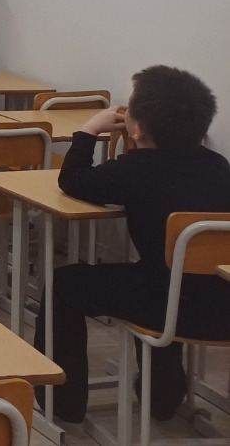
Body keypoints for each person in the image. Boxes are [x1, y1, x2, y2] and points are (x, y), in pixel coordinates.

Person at [39, 65, 230, 424]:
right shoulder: (220, 167)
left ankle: (62, 406)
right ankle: (163, 399)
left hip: (170, 307)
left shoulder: (134, 168)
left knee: (65, 283)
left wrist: (89, 130)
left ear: (137, 128)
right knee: (163, 278)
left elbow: (74, 180)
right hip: (222, 305)